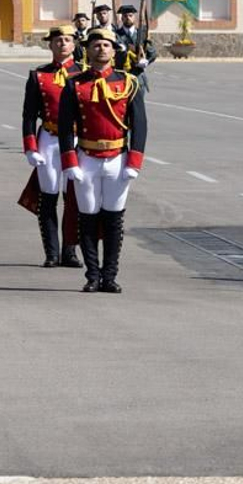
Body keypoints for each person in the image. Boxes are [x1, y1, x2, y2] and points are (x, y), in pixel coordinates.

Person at [58, 26, 148, 294]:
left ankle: (109, 276)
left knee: (113, 219)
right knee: (87, 218)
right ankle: (92, 276)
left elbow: (139, 125)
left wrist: (134, 161)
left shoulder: (128, 82)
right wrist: (70, 161)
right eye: (96, 44)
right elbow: (65, 126)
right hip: (86, 157)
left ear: (114, 50)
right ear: (87, 49)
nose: (101, 49)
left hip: (117, 160)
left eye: (106, 45)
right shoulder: (74, 84)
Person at [23, 26, 84, 269]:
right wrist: (30, 146)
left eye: (67, 40)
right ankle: (51, 252)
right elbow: (29, 115)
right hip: (49, 139)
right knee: (48, 198)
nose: (62, 44)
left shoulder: (84, 74)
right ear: (50, 45)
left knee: (74, 198)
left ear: (74, 45)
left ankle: (70, 251)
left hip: (78, 141)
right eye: (58, 40)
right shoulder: (39, 75)